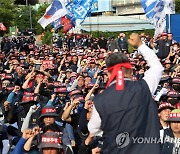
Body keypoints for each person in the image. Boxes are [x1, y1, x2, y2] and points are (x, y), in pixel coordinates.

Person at [88, 33, 164, 154]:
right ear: (130, 70)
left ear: (108, 73)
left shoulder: (100, 100)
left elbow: (93, 128)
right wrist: (140, 44)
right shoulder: (144, 87)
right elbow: (157, 67)